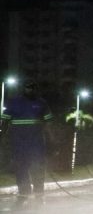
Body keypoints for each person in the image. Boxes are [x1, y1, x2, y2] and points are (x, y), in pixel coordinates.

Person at [0, 79, 53, 207]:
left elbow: (48, 123)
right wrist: (1, 136)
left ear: (36, 89)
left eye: (33, 88)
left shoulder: (42, 103)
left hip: (37, 145)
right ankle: (24, 193)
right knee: (21, 169)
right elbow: (5, 122)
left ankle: (39, 195)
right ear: (24, 89)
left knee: (38, 169)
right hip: (19, 145)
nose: (31, 90)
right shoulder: (14, 103)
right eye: (29, 87)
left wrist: (51, 139)